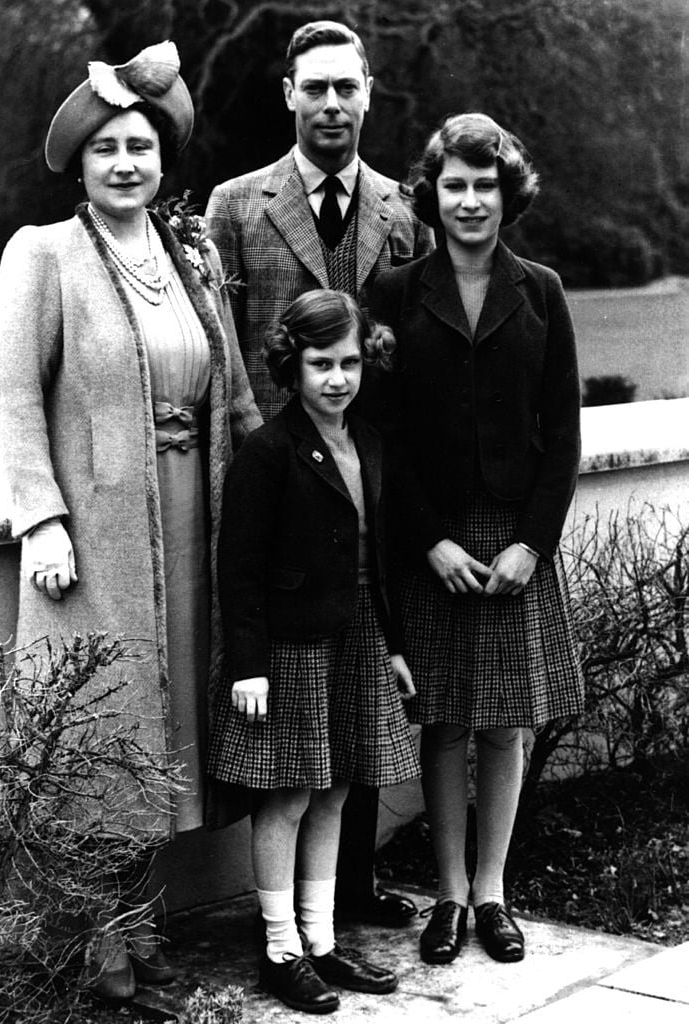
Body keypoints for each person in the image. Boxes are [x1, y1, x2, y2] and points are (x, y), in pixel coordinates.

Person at [0, 42, 261, 1001]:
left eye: (139, 144)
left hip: (195, 520)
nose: (124, 163)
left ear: (162, 155)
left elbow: (231, 394)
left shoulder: (193, 252)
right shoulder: (44, 255)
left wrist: (279, 494)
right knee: (101, 728)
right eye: (105, 147)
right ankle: (95, 949)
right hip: (98, 536)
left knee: (173, 719)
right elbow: (16, 399)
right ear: (80, 162)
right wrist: (41, 520)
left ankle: (137, 929)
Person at [205, 17, 432, 929]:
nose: (332, 104)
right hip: (276, 478)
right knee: (295, 706)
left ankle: (352, 892)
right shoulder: (234, 205)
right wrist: (263, 448)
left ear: (369, 94)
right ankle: (282, 917)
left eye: (347, 87)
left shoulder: (399, 212)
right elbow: (222, 352)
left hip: (370, 478)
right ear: (289, 95)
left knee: (363, 682)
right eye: (316, 88)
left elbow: (408, 358)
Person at [367, 113, 584, 965]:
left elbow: (562, 437)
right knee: (446, 720)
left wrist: (534, 543)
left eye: (483, 186)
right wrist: (428, 542)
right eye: (453, 185)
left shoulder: (542, 290)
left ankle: (494, 892)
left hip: (514, 540)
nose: (467, 201)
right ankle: (448, 897)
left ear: (507, 195)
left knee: (506, 722)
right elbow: (378, 435)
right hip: (435, 544)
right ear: (432, 194)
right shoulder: (393, 292)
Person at [207, 289, 419, 1013]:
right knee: (289, 794)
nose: (337, 378)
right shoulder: (269, 452)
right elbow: (237, 568)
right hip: (291, 646)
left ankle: (322, 943)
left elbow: (376, 559)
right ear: (291, 366)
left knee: (337, 788)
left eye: (350, 362)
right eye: (321, 363)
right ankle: (278, 949)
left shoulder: (371, 442)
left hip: (356, 634)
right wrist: (250, 665)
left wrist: (391, 645)